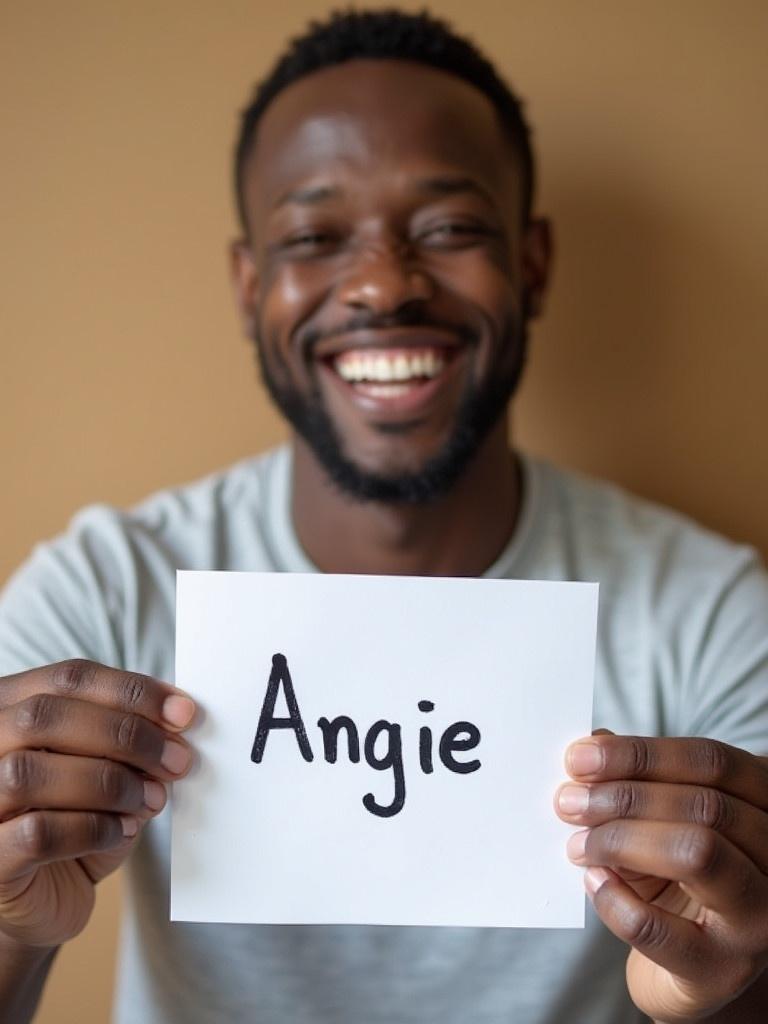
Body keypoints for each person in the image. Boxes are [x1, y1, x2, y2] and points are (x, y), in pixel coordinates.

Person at [1, 8, 767, 1023]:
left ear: (532, 264)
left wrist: (718, 994)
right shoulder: (105, 591)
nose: (383, 284)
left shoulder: (713, 615)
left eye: (449, 228)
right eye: (316, 237)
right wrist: (9, 927)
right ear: (249, 287)